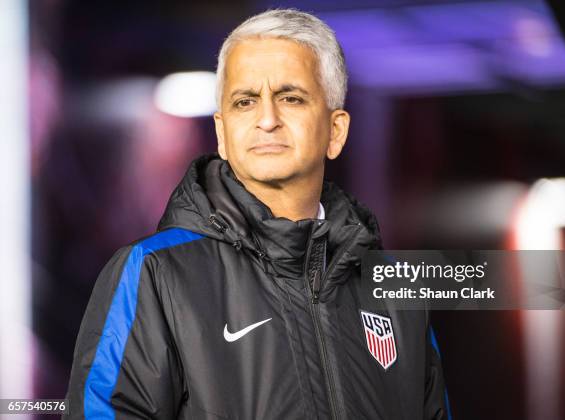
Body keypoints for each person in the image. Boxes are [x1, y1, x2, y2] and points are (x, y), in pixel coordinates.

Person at [64, 9, 449, 419]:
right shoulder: (154, 273)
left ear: (335, 131)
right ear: (222, 133)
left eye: (291, 98)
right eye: (245, 101)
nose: (267, 120)